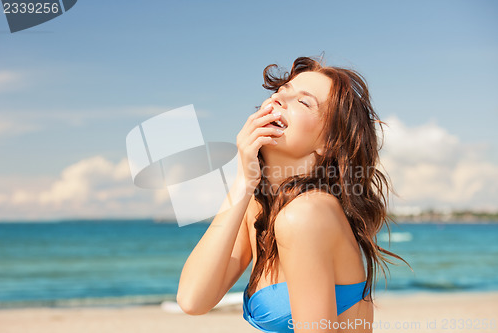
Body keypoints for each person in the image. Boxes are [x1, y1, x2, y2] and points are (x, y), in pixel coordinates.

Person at [176, 55, 411, 332]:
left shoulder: (307, 213)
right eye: (280, 92)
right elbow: (193, 299)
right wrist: (243, 182)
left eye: (303, 101)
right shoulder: (258, 202)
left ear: (330, 142)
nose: (277, 100)